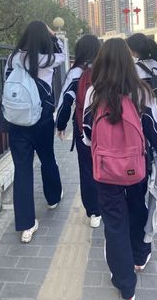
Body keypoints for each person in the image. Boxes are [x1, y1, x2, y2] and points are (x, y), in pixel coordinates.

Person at [82, 38, 157, 300]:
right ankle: (140, 256)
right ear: (129, 63)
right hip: (137, 168)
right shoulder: (142, 93)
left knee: (114, 223)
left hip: (105, 171)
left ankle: (125, 284)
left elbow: (88, 134)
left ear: (101, 63)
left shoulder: (93, 93)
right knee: (137, 210)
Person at [5, 21, 65, 243]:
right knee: (47, 158)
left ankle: (26, 225)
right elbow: (63, 52)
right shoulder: (46, 59)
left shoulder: (12, 59)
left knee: (22, 170)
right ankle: (52, 197)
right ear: (43, 38)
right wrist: (54, 34)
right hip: (41, 120)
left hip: (16, 122)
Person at [56, 34, 101, 228]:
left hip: (85, 129)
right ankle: (112, 203)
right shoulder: (108, 69)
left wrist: (60, 124)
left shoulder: (76, 73)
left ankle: (94, 212)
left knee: (87, 168)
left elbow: (66, 102)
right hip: (110, 128)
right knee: (107, 163)